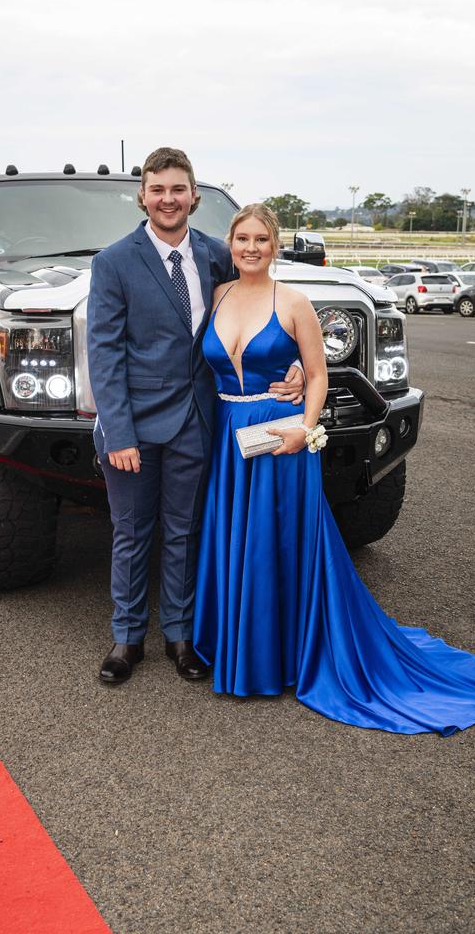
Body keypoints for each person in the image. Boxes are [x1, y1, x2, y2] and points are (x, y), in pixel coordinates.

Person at [193, 203, 475, 734]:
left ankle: (282, 658)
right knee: (234, 538)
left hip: (282, 438)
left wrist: (304, 427)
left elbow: (316, 376)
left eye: (261, 240)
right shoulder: (216, 296)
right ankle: (239, 646)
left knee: (280, 542)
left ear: (276, 246)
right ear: (230, 243)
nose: (250, 248)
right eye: (241, 239)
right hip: (227, 434)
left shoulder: (293, 302)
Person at [87, 149, 305, 685]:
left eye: (178, 189)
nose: (168, 199)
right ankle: (127, 638)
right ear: (142, 196)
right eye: (157, 189)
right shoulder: (113, 262)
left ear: (194, 196)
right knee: (132, 531)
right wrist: (118, 431)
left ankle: (180, 637)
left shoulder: (218, 256)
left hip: (199, 423)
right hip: (132, 427)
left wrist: (295, 359)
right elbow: (105, 354)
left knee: (185, 531)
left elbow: (264, 305)